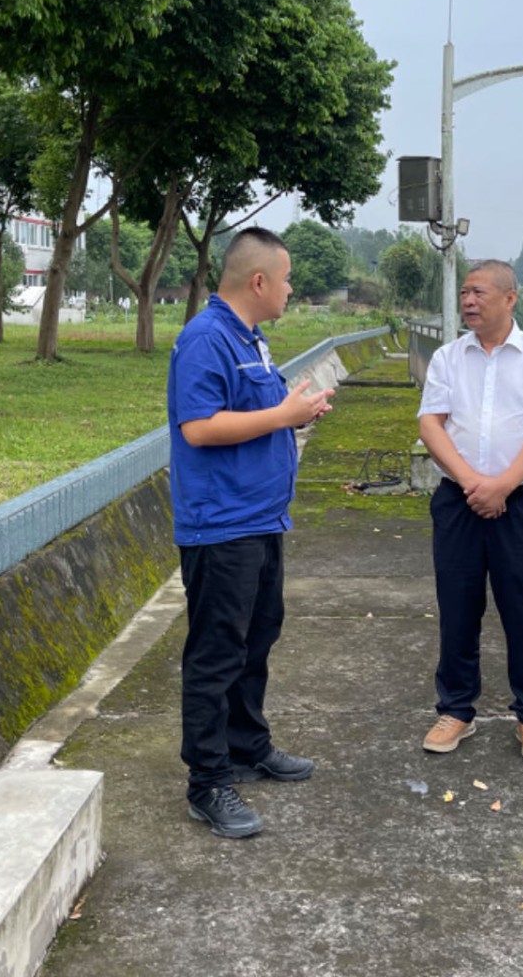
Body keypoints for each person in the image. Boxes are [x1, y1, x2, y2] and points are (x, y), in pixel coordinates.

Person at [167, 227, 335, 838]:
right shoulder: (205, 338)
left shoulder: (250, 339)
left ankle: (247, 745)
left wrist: (293, 413)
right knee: (215, 654)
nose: (291, 289)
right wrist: (282, 415)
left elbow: (253, 416)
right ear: (259, 281)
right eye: (286, 279)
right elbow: (199, 428)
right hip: (221, 526)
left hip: (260, 519)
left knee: (256, 639)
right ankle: (207, 780)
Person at [417, 260, 523, 761]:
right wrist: (474, 484)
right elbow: (431, 423)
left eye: (479, 292)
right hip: (459, 500)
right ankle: (456, 709)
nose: (468, 301)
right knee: (457, 606)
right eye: (464, 292)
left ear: (510, 299)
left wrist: (502, 486)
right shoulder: (448, 358)